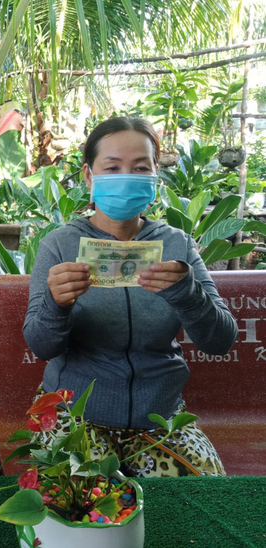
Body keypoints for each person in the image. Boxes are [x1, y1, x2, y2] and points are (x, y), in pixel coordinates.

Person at [23, 117, 237, 477]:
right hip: (74, 416)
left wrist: (188, 294)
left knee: (200, 499)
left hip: (160, 419)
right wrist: (56, 304)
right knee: (75, 503)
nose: (126, 177)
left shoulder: (177, 245)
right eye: (112, 167)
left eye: (140, 168)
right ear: (89, 176)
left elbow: (221, 341)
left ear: (155, 175)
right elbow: (41, 346)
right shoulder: (59, 245)